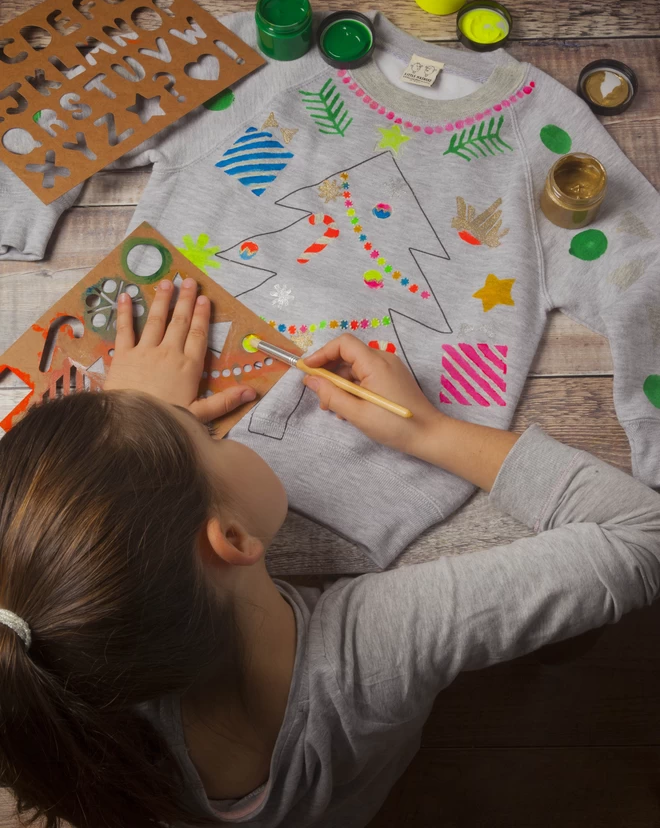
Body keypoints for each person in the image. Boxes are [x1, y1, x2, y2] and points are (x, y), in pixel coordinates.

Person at [1, 278, 659, 828]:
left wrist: (142, 436)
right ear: (231, 541)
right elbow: (642, 532)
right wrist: (428, 429)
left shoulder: (63, 685)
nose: (218, 430)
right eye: (209, 436)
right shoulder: (381, 640)